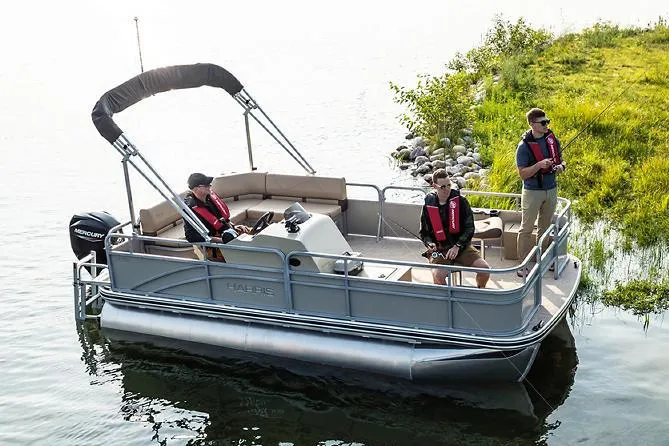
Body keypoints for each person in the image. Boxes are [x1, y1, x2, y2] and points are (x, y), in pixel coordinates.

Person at [515, 108, 566, 275]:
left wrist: (561, 167)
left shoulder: (552, 140)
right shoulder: (523, 147)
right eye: (543, 122)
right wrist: (538, 165)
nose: (546, 125)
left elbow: (562, 161)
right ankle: (522, 265)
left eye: (547, 121)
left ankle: (541, 259)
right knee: (526, 229)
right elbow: (522, 174)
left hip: (551, 190)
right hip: (532, 192)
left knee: (545, 228)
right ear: (532, 124)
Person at [419, 168, 490, 288]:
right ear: (434, 186)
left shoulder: (461, 202)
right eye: (442, 187)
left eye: (449, 185)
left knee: (485, 269)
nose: (447, 189)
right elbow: (423, 233)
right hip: (439, 250)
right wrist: (429, 243)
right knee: (438, 276)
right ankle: (447, 298)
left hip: (461, 247)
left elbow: (469, 228)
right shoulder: (428, 205)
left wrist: (458, 246)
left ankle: (480, 291)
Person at [183, 172, 251, 260]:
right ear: (196, 189)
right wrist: (221, 240)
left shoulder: (209, 198)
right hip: (210, 245)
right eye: (206, 185)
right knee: (245, 251)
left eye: (209, 184)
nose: (210, 186)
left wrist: (234, 228)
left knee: (253, 234)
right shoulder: (189, 209)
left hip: (226, 235)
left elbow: (221, 220)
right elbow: (191, 237)